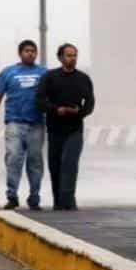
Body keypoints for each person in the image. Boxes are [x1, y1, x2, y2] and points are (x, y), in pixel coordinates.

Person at [0, 40, 47, 210]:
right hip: (14, 123)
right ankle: (12, 195)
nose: (30, 53)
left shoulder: (44, 73)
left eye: (33, 51)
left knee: (35, 161)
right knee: (13, 158)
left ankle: (34, 197)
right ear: (20, 53)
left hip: (37, 124)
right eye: (27, 51)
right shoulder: (8, 73)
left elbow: (52, 97)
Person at [35, 43, 94, 210]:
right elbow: (39, 100)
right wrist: (55, 109)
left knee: (69, 163)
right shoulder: (49, 77)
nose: (72, 58)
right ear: (60, 57)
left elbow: (90, 104)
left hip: (75, 129)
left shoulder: (83, 79)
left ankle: (68, 200)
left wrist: (79, 112)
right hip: (54, 129)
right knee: (55, 166)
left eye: (75, 55)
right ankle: (58, 201)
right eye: (69, 55)